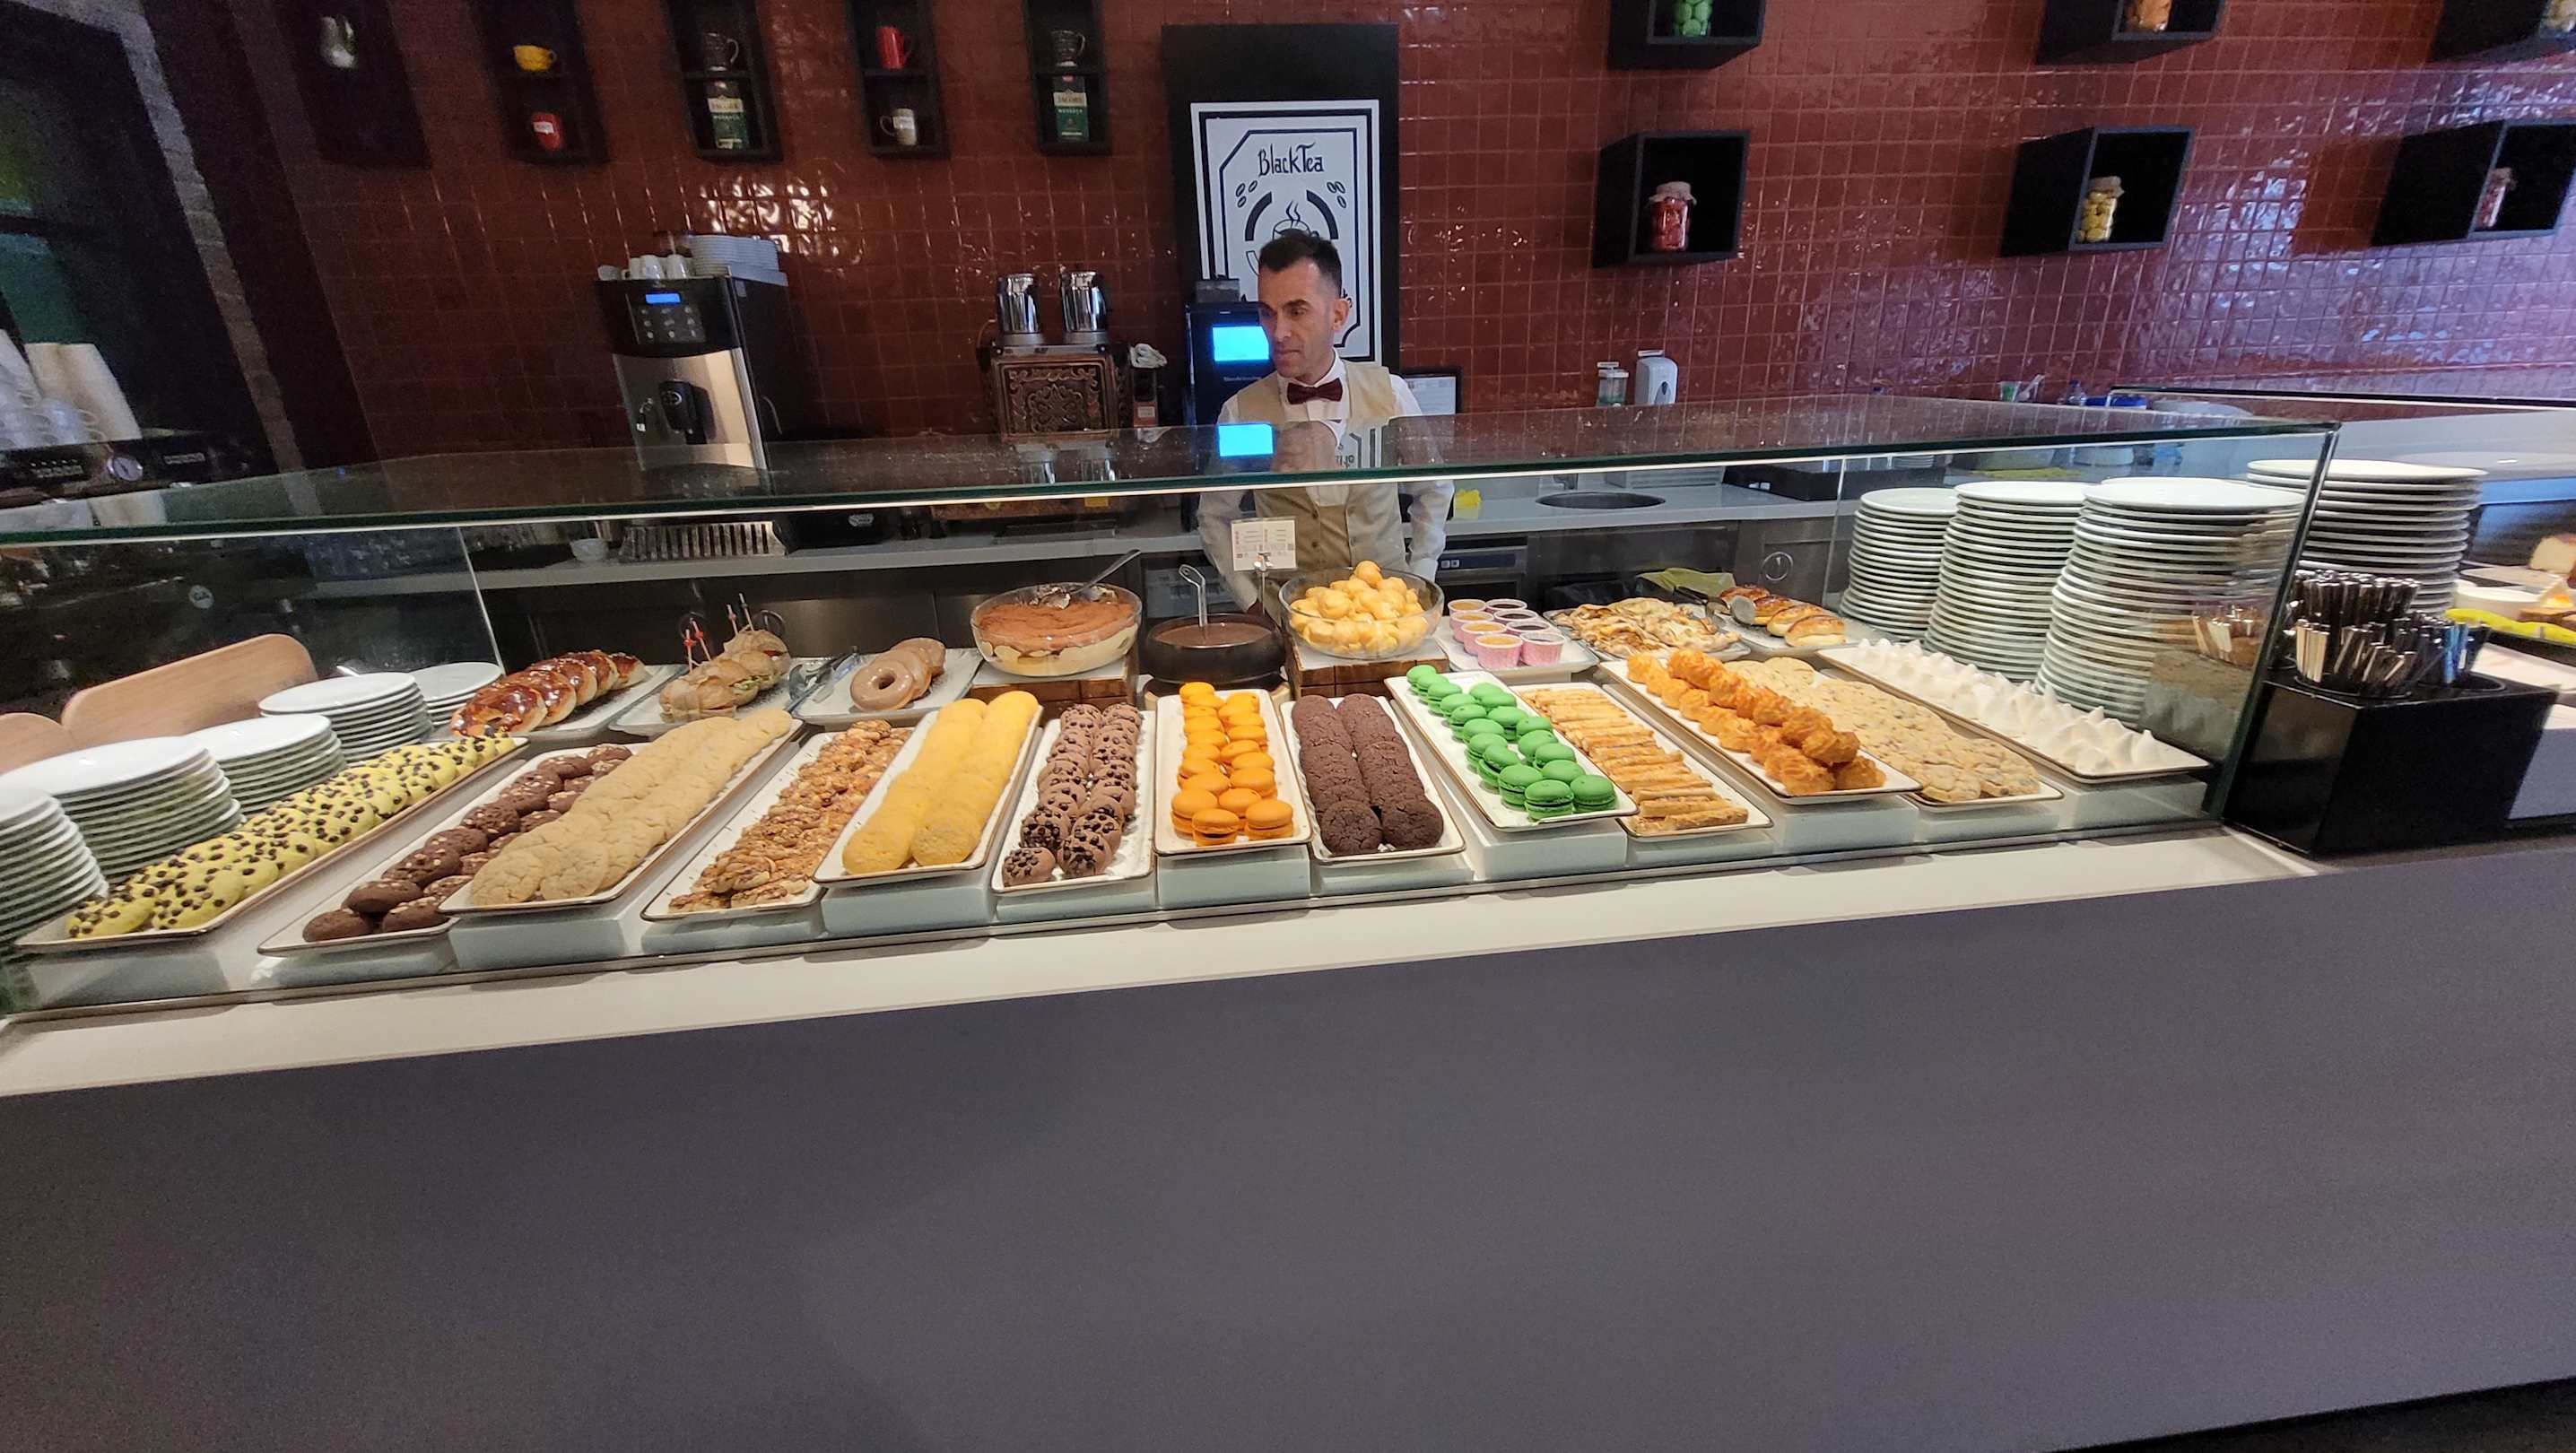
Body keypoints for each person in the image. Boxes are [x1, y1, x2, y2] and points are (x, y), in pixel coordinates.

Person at [1196, 231, 1451, 609]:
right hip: (1289, 617)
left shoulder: (1390, 394)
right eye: (1267, 313)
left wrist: (1420, 578)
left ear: (1338, 315)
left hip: (1386, 617)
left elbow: (1434, 488)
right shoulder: (1242, 413)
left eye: (1296, 311)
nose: (1278, 332)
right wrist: (1251, 601)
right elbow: (1215, 515)